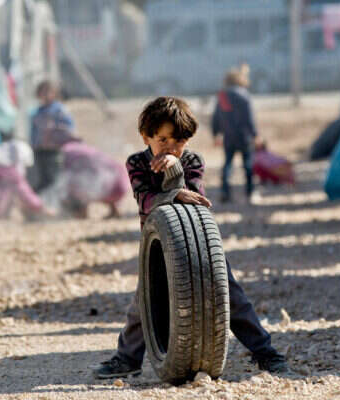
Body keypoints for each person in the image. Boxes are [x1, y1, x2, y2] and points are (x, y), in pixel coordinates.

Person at [92, 97, 288, 379]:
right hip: (157, 248)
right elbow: (146, 202)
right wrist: (174, 193)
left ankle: (266, 353)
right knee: (143, 306)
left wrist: (175, 170)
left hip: (200, 246)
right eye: (163, 140)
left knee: (231, 297)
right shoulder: (136, 163)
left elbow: (195, 202)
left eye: (179, 141)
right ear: (146, 137)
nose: (171, 148)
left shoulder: (193, 161)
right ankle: (127, 359)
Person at [211, 64, 259, 203]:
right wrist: (255, 135)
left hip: (228, 136)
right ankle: (250, 191)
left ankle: (225, 191)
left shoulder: (223, 96)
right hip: (244, 136)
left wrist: (216, 134)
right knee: (248, 165)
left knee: (227, 164)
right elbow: (249, 118)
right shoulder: (244, 95)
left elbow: (216, 117)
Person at [29, 80, 79, 193]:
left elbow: (69, 128)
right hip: (40, 150)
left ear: (54, 93)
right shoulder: (37, 112)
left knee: (54, 178)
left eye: (48, 92)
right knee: (43, 178)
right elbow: (34, 131)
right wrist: (33, 145)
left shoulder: (59, 110)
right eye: (42, 92)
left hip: (54, 150)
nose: (45, 95)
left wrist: (54, 130)